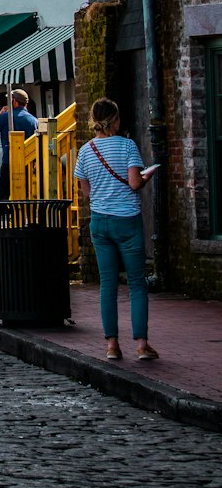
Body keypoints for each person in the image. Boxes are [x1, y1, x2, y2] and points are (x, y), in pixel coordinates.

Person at [75, 98, 158, 361]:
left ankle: (112, 345)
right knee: (136, 284)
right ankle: (142, 345)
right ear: (115, 120)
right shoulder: (127, 146)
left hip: (100, 222)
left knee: (107, 284)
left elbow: (86, 193)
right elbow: (134, 184)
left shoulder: (85, 151)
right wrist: (147, 176)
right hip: (127, 221)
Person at [0, 89, 39, 199]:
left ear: (14, 101)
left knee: (4, 195)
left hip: (9, 161)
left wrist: (0, 113)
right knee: (26, 195)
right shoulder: (34, 120)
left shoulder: (6, 116)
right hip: (28, 162)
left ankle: (5, 215)